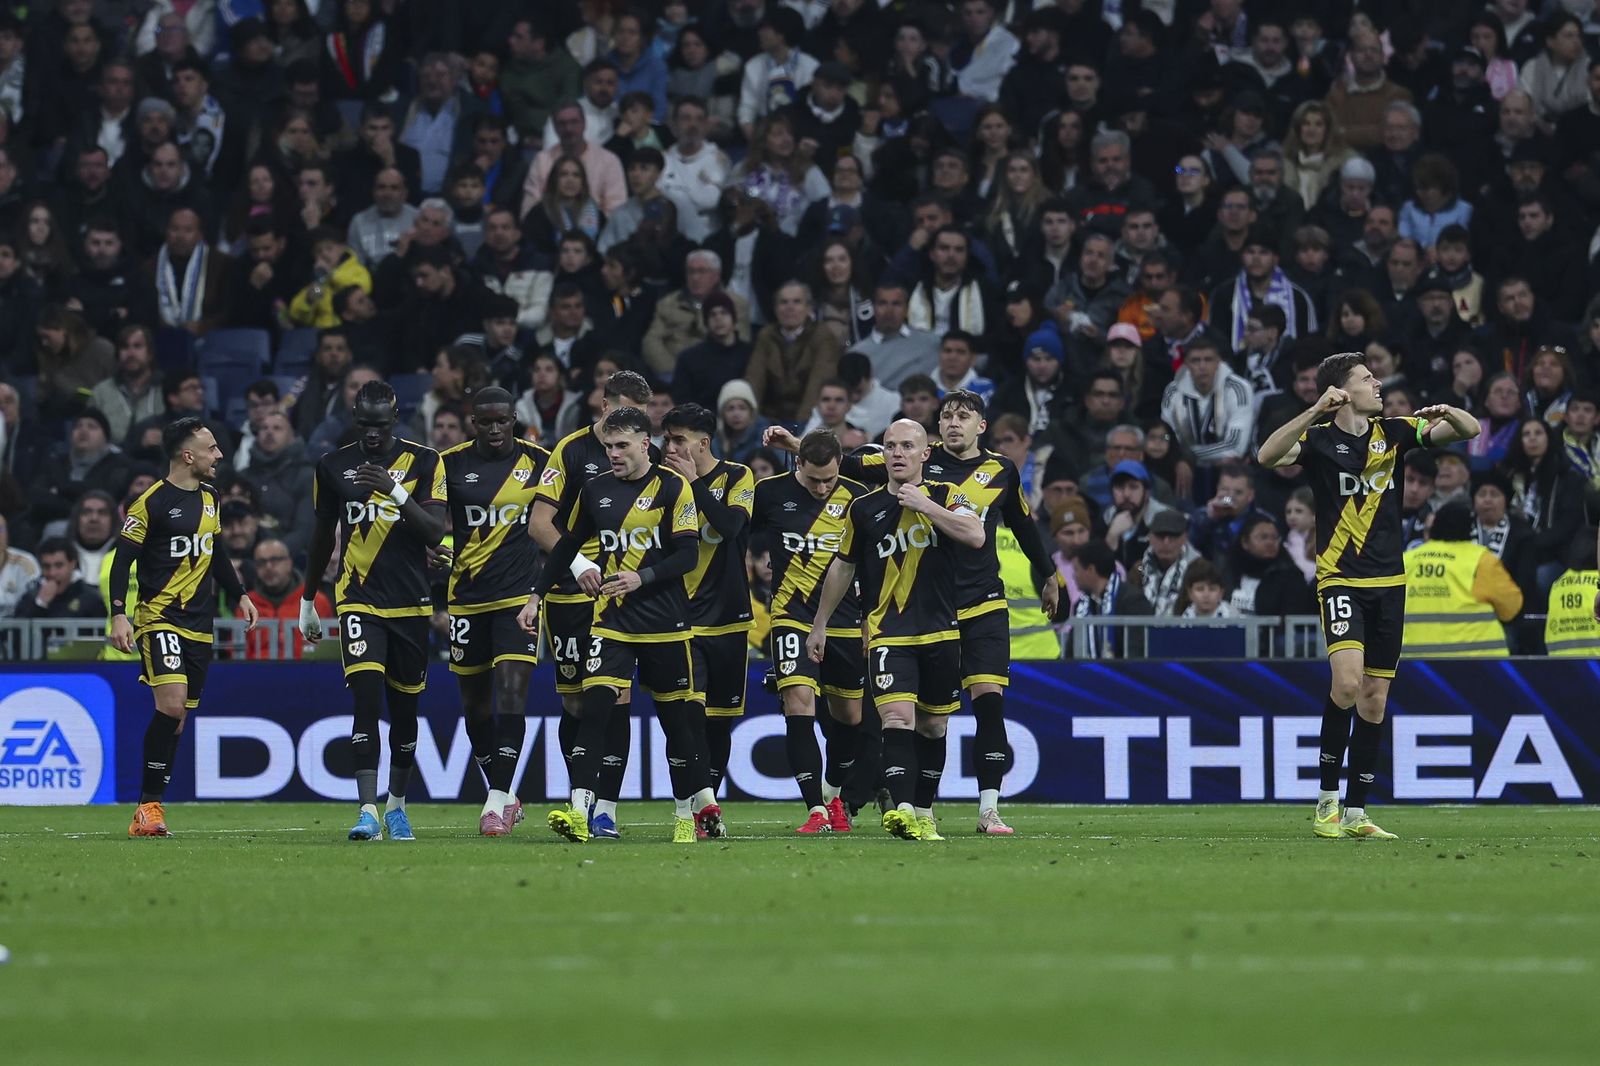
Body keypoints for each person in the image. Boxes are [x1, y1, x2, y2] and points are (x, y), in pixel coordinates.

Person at [1258, 351, 1479, 840]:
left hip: (1390, 583)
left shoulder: (1395, 434)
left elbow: (1470, 431)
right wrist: (1315, 410)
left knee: (1375, 700)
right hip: (1340, 578)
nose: (1377, 383)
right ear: (1342, 392)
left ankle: (1357, 812)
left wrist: (1446, 413)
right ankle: (1326, 802)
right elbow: (1267, 456)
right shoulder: (1317, 440)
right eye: (1366, 378)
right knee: (1347, 684)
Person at [521, 406, 720, 846]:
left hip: (666, 625)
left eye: (622, 446)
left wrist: (641, 577)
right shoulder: (594, 490)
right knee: (594, 712)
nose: (613, 453)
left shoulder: (673, 487)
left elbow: (687, 555)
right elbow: (565, 547)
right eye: (609, 446)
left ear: (644, 445)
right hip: (612, 623)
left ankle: (686, 814)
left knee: (678, 724)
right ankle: (579, 811)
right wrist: (536, 595)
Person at [807, 419, 986, 841]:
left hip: (941, 631)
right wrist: (820, 624)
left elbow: (976, 534)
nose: (897, 453)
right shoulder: (864, 508)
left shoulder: (946, 495)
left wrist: (925, 506)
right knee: (897, 718)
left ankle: (923, 809)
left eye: (907, 446)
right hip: (888, 633)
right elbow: (843, 566)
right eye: (890, 446)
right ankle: (903, 808)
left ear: (926, 453)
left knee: (933, 727)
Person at [299, 381, 448, 842]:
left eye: (379, 426)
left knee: (405, 712)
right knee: (365, 700)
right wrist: (308, 599)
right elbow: (323, 537)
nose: (370, 435)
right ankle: (367, 811)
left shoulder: (425, 461)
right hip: (358, 599)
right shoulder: (332, 466)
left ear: (395, 419)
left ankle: (397, 806)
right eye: (363, 424)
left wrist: (394, 491)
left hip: (411, 603)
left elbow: (434, 532)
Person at [108, 418, 259, 837]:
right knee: (171, 705)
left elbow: (216, 553)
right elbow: (122, 562)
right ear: (187, 455)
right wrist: (119, 612)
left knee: (178, 719)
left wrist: (241, 593)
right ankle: (146, 808)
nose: (220, 455)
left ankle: (151, 812)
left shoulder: (211, 497)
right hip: (159, 616)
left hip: (200, 624)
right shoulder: (151, 503)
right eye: (211, 448)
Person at [527, 369, 653, 840]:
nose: (639, 424)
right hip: (570, 594)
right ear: (605, 406)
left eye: (643, 416)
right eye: (631, 412)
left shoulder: (645, 452)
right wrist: (579, 565)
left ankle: (605, 809)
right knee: (576, 702)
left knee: (616, 696)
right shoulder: (572, 450)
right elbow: (541, 524)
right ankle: (581, 795)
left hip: (623, 595)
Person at [749, 429, 869, 832]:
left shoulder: (856, 495)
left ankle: (834, 796)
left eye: (829, 480)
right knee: (799, 704)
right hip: (790, 615)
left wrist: (872, 618)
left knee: (849, 717)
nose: (821, 488)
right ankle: (815, 809)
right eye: (814, 479)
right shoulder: (768, 493)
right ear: (797, 463)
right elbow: (733, 534)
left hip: (847, 618)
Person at [440, 388, 548, 836]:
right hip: (465, 596)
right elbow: (432, 523)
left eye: (503, 420)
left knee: (510, 696)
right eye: (486, 422)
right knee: (475, 707)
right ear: (473, 423)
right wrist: (440, 548)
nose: (495, 429)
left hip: (518, 599)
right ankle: (504, 795)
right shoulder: (448, 464)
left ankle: (495, 802)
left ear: (513, 419)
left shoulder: (540, 463)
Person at [660, 403, 756, 819]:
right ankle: (690, 805)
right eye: (667, 439)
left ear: (703, 442)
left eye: (678, 440)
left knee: (718, 721)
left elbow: (730, 529)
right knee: (687, 715)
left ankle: (705, 805)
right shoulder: (660, 483)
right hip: (677, 618)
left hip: (729, 617)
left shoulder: (738, 476)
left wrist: (695, 482)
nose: (670, 447)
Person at [1400, 499, 1522, 659]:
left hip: (1411, 664)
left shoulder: (1406, 560)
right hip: (1479, 665)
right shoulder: (1480, 560)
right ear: (1469, 528)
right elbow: (1511, 607)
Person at [239, 535, 331, 661]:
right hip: (258, 675)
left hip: (306, 675)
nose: (268, 567)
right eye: (261, 562)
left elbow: (329, 648)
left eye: (275, 560)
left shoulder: (317, 601)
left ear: (289, 563)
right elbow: (235, 651)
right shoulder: (246, 604)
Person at [12, 538, 105, 621]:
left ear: (72, 564)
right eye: (46, 566)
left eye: (59, 565)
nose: (52, 573)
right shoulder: (31, 597)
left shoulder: (91, 598)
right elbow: (17, 634)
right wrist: (40, 604)